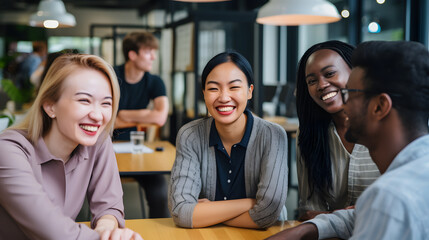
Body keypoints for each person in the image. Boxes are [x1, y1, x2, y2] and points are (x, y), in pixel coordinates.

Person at [267, 40, 429, 239]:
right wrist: (309, 228)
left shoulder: (389, 198)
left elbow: (380, 208)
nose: (345, 103)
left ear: (379, 106)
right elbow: (358, 214)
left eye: (350, 93)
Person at [0, 54, 142, 240]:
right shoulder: (8, 150)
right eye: (84, 100)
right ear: (50, 106)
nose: (98, 116)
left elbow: (109, 206)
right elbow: (51, 229)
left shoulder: (97, 141)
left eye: (106, 103)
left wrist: (106, 229)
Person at [169, 50, 288, 229]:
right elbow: (181, 212)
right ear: (204, 93)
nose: (224, 97)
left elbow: (269, 212)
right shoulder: (190, 135)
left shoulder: (272, 135)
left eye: (234, 87)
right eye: (213, 88)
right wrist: (251, 203)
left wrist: (206, 213)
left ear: (249, 91)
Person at [295, 40, 380, 221]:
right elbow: (309, 212)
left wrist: (332, 216)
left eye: (330, 73)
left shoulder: (387, 126)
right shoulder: (310, 135)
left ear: (355, 71)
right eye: (312, 81)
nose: (321, 85)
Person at [113, 31, 169, 218]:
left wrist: (123, 115)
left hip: (136, 149)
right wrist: (146, 115)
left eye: (154, 51)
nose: (153, 57)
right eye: (148, 51)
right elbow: (107, 123)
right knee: (108, 196)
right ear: (132, 54)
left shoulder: (154, 82)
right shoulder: (111, 77)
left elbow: (160, 118)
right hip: (104, 148)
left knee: (160, 190)